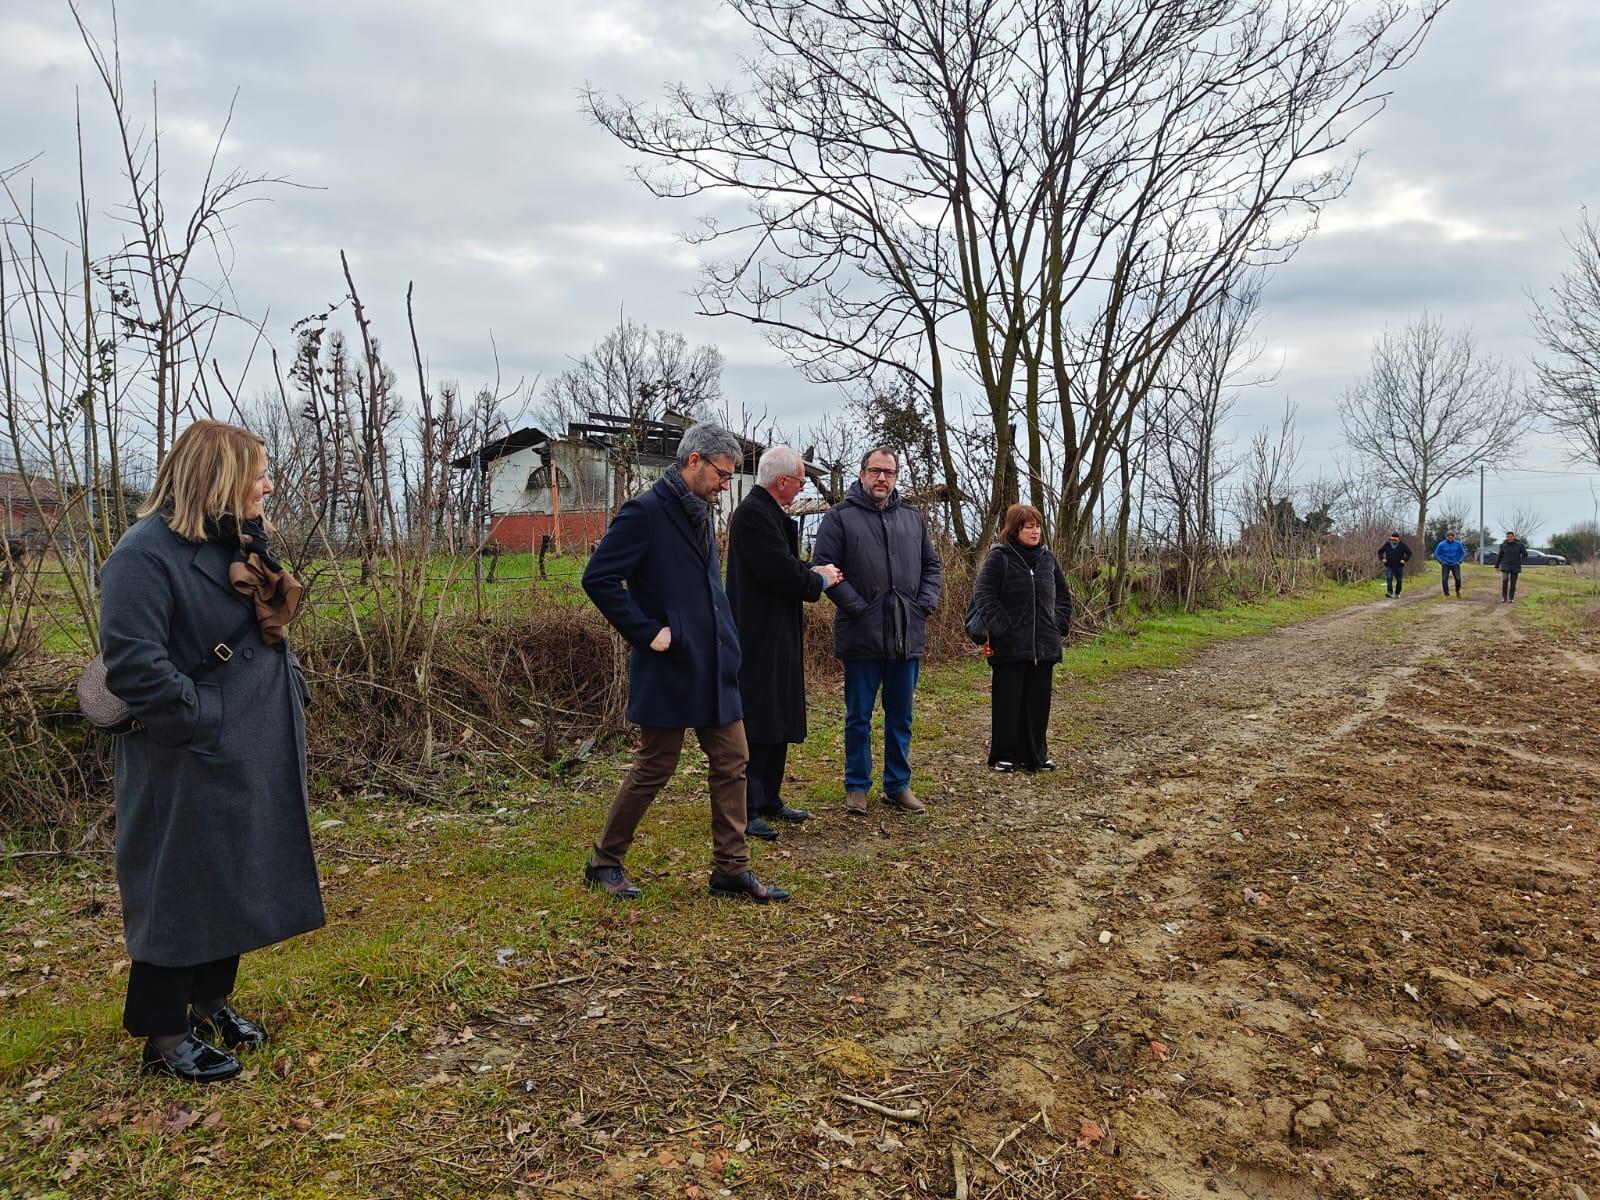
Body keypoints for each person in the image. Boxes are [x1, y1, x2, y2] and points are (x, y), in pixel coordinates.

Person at [99, 420, 323, 1083]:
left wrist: (290, 694)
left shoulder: (238, 543)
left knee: (233, 874)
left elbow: (264, 634)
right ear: (218, 477)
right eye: (258, 471)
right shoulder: (142, 556)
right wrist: (209, 719)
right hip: (186, 753)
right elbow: (135, 668)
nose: (269, 483)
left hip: (252, 741)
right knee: (178, 885)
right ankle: (164, 1038)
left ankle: (209, 1004)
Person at [580, 422, 789, 904]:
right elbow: (600, 578)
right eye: (721, 473)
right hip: (671, 664)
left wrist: (729, 639)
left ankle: (731, 869)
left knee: (733, 760)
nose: (724, 484)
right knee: (655, 766)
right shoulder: (646, 512)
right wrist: (647, 631)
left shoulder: (700, 511)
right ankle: (604, 861)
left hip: (715, 664)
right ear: (693, 461)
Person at [812, 447, 942, 816]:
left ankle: (898, 784)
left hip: (907, 635)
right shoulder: (840, 517)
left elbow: (931, 567)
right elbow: (825, 568)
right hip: (861, 635)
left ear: (897, 476)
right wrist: (858, 608)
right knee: (859, 716)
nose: (882, 478)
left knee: (901, 716)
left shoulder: (913, 520)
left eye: (889, 472)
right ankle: (857, 785)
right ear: (862, 473)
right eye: (875, 471)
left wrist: (924, 605)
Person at [725, 446, 842, 841]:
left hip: (776, 629)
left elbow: (785, 567)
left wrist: (811, 572)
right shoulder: (754, 515)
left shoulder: (769, 512)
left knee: (778, 711)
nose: (802, 485)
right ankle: (750, 806)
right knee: (759, 717)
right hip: (756, 633)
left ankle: (770, 796)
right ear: (782, 482)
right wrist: (819, 578)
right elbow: (779, 571)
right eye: (799, 480)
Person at [970, 505, 1073, 772]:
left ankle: (1035, 755)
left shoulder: (1048, 559)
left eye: (1038, 526)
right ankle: (1004, 755)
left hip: (1044, 645)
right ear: (1015, 529)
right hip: (1009, 646)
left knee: (1038, 704)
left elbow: (1063, 596)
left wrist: (1058, 623)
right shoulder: (1000, 557)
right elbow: (984, 594)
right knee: (1008, 702)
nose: (1035, 531)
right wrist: (1003, 626)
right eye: (1029, 526)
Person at [1495, 529, 1529, 602]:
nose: (1509, 538)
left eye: (1511, 537)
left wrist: (1520, 562)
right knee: (1505, 581)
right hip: (1505, 565)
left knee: (1513, 583)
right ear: (1506, 537)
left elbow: (1525, 555)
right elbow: (1499, 556)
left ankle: (1511, 598)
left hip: (1515, 566)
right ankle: (1504, 597)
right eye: (1508, 537)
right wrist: (1497, 566)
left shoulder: (1519, 545)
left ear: (1513, 537)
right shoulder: (1503, 545)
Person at [1377, 532, 1412, 598]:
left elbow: (1409, 553)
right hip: (1389, 565)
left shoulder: (1402, 545)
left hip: (1399, 566)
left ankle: (1397, 593)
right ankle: (1390, 592)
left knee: (1399, 580)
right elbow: (1380, 551)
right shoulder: (1387, 544)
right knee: (1389, 578)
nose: (1393, 541)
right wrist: (1382, 558)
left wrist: (1404, 560)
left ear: (1398, 539)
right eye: (1392, 539)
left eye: (1394, 540)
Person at [1433, 529, 1466, 597]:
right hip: (1445, 563)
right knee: (1444, 579)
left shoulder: (1458, 544)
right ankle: (1446, 594)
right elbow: (1436, 554)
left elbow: (1463, 553)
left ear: (1454, 537)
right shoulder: (1441, 544)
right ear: (1446, 537)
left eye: (1452, 537)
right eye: (1449, 537)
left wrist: (1459, 561)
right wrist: (1441, 561)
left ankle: (1457, 591)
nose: (1450, 538)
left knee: (1458, 579)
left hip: (1455, 563)